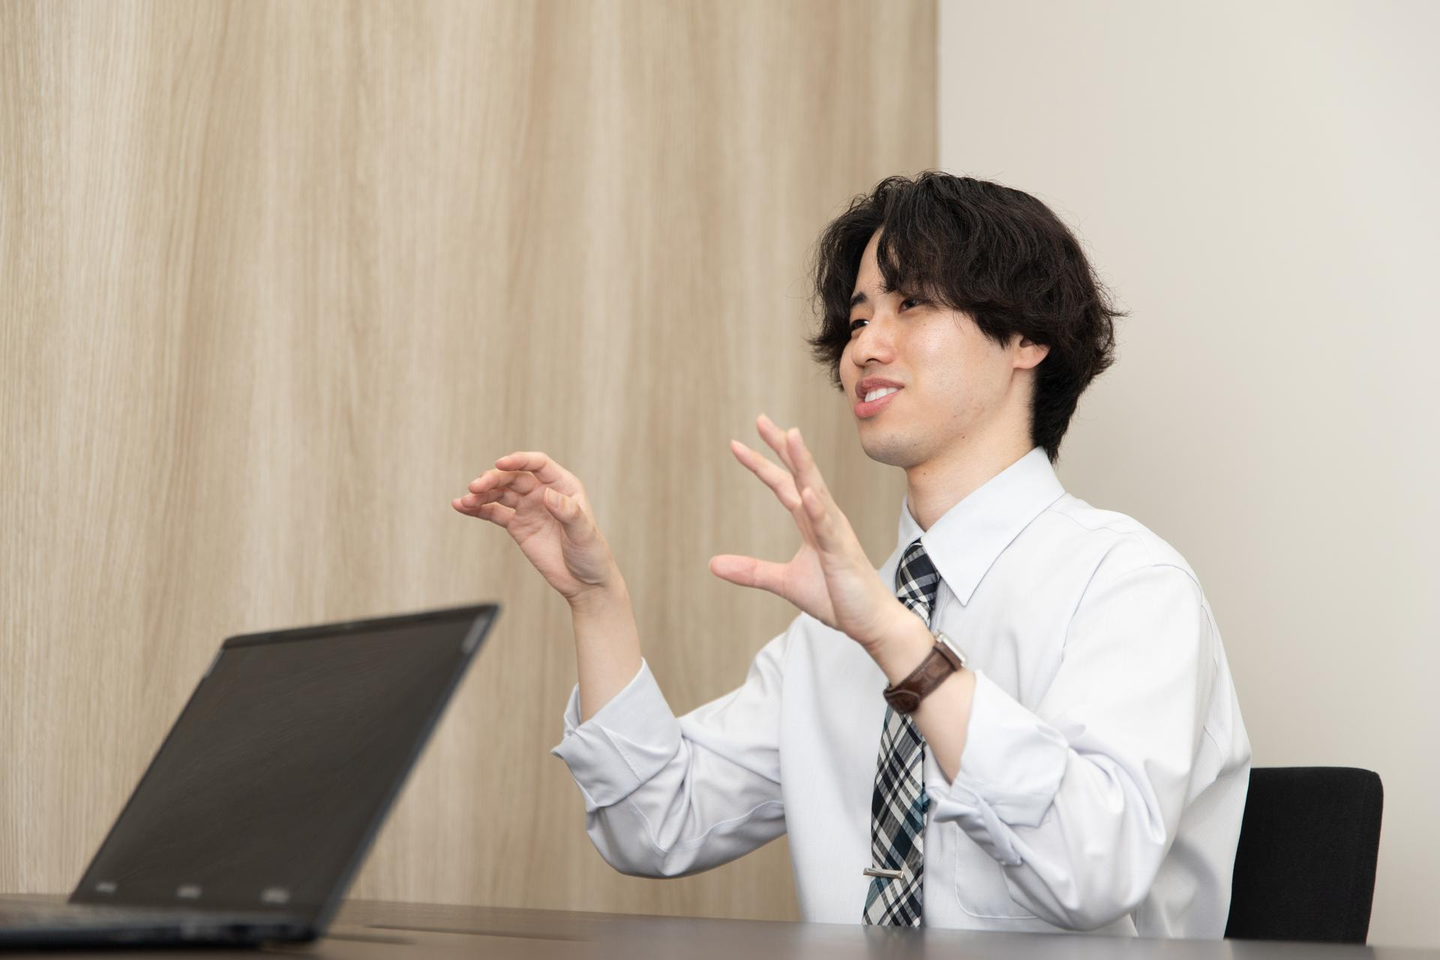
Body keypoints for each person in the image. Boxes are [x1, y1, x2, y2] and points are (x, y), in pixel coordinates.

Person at [450, 171, 1251, 938]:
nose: (866, 346)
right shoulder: (838, 627)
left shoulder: (1128, 585)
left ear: (1025, 337)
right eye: (859, 319)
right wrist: (596, 602)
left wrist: (897, 643)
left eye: (911, 304)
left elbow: (1094, 869)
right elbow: (654, 823)